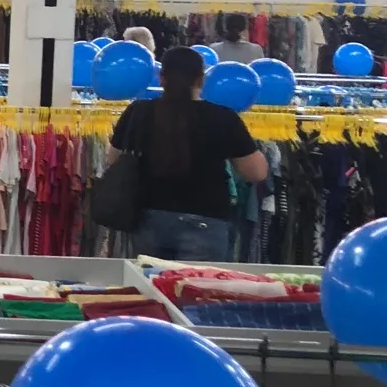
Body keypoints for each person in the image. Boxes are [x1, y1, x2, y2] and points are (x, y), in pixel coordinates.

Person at [108, 45, 269, 260]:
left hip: (148, 218)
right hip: (206, 219)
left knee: (149, 280)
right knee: (196, 282)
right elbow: (256, 172)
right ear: (201, 79)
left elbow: (113, 159)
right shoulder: (223, 117)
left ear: (161, 77)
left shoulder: (138, 111)